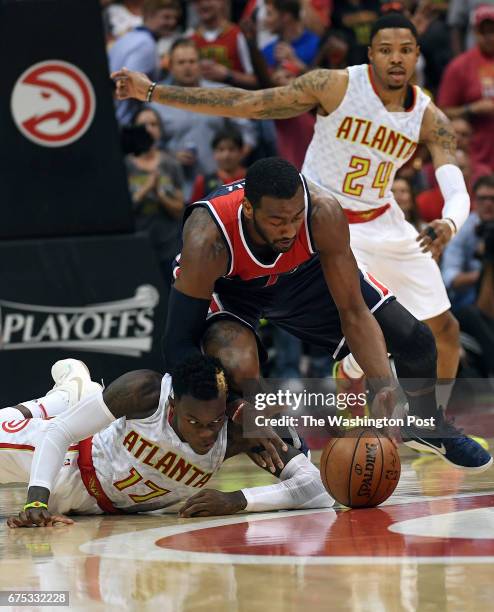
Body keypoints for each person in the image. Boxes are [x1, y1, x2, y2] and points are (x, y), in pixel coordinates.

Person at [111, 13, 469, 427]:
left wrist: (450, 222)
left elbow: (454, 181)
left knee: (443, 329)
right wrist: (152, 91)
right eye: (385, 50)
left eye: (405, 51)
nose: (395, 59)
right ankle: (356, 415)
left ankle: (431, 425)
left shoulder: (429, 116)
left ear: (417, 55)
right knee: (362, 325)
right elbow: (249, 103)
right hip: (318, 220)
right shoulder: (334, 86)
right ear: (370, 54)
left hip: (384, 219)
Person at [163, 155, 487, 471]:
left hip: (305, 276)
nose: (289, 229)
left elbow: (355, 311)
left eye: (295, 218)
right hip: (232, 289)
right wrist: (234, 406)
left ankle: (426, 425)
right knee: (237, 366)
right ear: (248, 209)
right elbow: (178, 343)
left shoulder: (321, 212)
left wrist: (384, 385)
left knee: (415, 340)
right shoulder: (208, 238)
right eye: (277, 221)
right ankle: (277, 435)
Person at [2, 356, 333, 528]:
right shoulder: (145, 391)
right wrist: (35, 501)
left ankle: (74, 395)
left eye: (214, 422)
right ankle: (66, 397)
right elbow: (58, 434)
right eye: (195, 422)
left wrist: (236, 500)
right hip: (73, 458)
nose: (207, 433)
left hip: (102, 508)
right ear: (172, 407)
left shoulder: (240, 431)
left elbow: (317, 490)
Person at [153, 38, 256, 201]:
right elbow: (150, 149)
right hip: (176, 191)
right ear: (171, 67)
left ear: (200, 64)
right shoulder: (157, 103)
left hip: (221, 190)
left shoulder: (221, 94)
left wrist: (231, 161)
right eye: (181, 62)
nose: (187, 67)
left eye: (192, 61)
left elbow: (248, 133)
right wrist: (172, 157)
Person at [126, 107, 184, 281]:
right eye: (143, 124)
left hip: (169, 246)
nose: (149, 129)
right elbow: (121, 211)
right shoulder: (125, 165)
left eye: (154, 124)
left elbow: (180, 209)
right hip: (137, 246)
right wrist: (145, 189)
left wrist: (159, 194)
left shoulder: (171, 164)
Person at [438, 4, 494, 173]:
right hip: (475, 155)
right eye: (484, 32)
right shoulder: (460, 66)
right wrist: (471, 109)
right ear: (475, 33)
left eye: (493, 31)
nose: (490, 37)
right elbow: (441, 112)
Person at [109, 0, 180, 124]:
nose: (172, 22)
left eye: (174, 18)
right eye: (166, 17)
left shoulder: (129, 37)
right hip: (124, 121)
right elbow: (128, 83)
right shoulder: (146, 45)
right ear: (149, 16)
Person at [441, 175, 494, 311]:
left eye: (492, 198)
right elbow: (449, 276)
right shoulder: (462, 227)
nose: (488, 204)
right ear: (474, 202)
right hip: (468, 298)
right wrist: (481, 276)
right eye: (483, 198)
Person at [189, 0, 257, 88]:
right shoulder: (189, 37)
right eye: (198, 2)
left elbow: (257, 81)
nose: (204, 4)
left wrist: (228, 75)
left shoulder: (238, 35)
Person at [190, 127, 246, 202]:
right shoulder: (202, 181)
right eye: (221, 149)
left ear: (241, 152)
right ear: (214, 153)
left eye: (231, 149)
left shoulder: (251, 178)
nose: (226, 155)